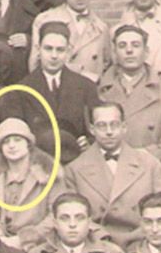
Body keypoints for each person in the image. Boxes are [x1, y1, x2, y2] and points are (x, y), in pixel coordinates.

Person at [61, 102, 161, 249]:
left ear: (124, 127)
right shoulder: (74, 169)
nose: (109, 131)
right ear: (92, 129)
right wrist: (101, 240)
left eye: (114, 125)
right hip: (97, 246)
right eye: (102, 125)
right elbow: (71, 218)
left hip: (144, 244)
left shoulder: (149, 164)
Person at [97, 24, 161, 166]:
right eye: (122, 46)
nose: (129, 50)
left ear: (146, 51)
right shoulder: (99, 91)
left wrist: (154, 154)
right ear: (115, 53)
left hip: (151, 169)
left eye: (135, 45)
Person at [10, 21, 101, 158]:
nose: (54, 56)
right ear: (38, 49)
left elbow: (98, 128)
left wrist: (89, 143)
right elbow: (14, 135)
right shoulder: (20, 90)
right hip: (36, 164)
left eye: (60, 50)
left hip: (76, 162)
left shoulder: (86, 87)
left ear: (68, 52)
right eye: (48, 48)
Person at [0, 118, 59, 250]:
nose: (12, 146)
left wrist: (24, 238)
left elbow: (57, 215)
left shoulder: (49, 174)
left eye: (17, 140)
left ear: (28, 144)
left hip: (40, 245)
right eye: (6, 142)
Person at [28, 0, 109, 83]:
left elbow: (106, 67)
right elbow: (35, 64)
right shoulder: (45, 20)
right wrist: (80, 72)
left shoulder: (101, 28)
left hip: (87, 95)